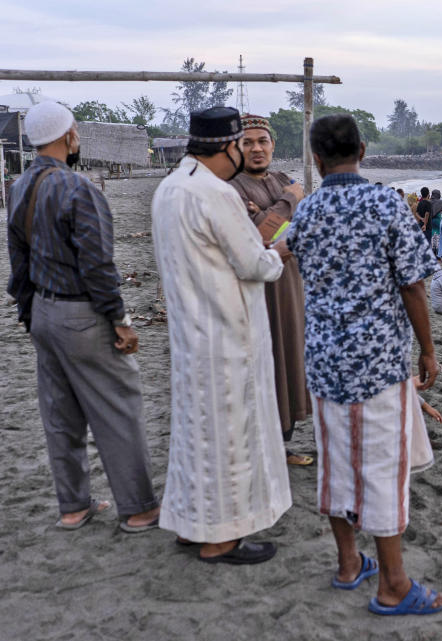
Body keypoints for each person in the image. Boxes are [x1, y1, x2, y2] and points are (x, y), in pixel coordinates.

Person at [286, 114, 442, 615]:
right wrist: (427, 349)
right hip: (377, 361)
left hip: (324, 360)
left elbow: (282, 255)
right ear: (362, 148)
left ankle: (349, 563)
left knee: (336, 463)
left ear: (316, 157)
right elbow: (414, 285)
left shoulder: (307, 209)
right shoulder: (385, 203)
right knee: (383, 468)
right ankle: (394, 585)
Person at [6, 101, 160, 532]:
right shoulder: (79, 189)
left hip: (42, 313)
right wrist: (120, 320)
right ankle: (140, 509)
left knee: (60, 416)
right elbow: (97, 266)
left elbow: (17, 261)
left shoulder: (18, 187)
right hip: (82, 314)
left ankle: (73, 508)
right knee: (118, 409)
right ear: (68, 136)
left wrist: (28, 314)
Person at [151, 106, 291, 564]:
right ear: (229, 147)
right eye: (242, 144)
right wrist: (283, 249)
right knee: (231, 440)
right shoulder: (216, 195)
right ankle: (221, 539)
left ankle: (192, 525)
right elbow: (257, 263)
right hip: (226, 337)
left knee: (194, 436)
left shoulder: (171, 187)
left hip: (190, 335)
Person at [230, 114, 313, 467]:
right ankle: (264, 446)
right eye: (247, 142)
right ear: (236, 147)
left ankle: (283, 443)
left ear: (272, 144)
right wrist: (284, 206)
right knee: (265, 362)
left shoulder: (283, 179)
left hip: (290, 283)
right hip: (256, 290)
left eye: (262, 141)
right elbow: (259, 239)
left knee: (292, 357)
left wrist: (266, 214)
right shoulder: (231, 187)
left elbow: (305, 228)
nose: (256, 148)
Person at [429, 189, 442, 255]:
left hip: (431, 220)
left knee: (432, 234)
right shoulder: (440, 202)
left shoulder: (429, 201)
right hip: (438, 219)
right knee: (438, 234)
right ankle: (438, 252)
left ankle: (432, 250)